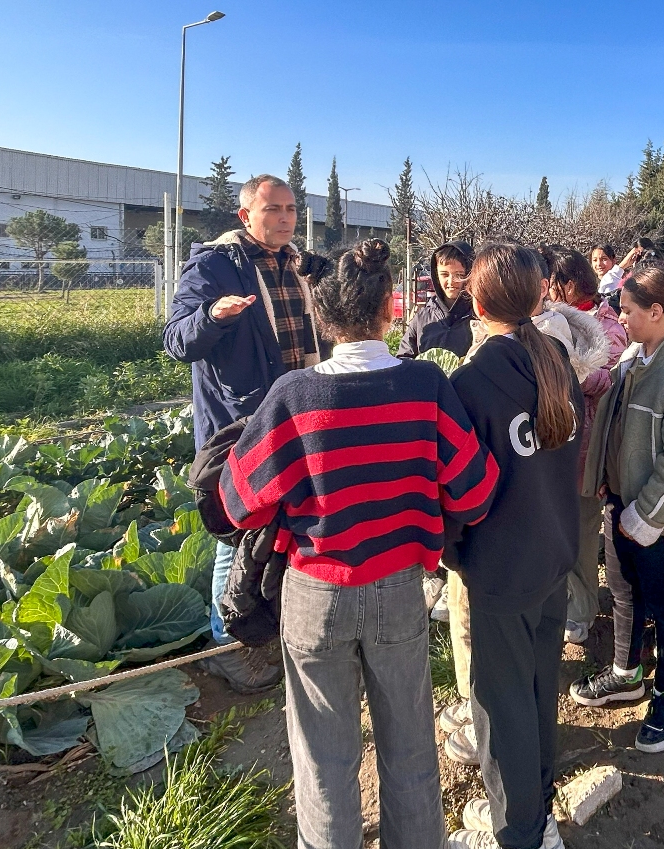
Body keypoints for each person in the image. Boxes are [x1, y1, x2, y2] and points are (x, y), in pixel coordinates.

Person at [218, 239, 499, 849]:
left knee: (323, 762)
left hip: (314, 595)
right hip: (399, 589)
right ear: (391, 307)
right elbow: (475, 491)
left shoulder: (293, 395)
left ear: (321, 314)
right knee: (412, 752)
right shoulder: (425, 386)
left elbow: (239, 502)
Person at [164, 173, 332, 693]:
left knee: (288, 523)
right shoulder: (215, 266)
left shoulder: (300, 264)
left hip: (300, 418)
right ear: (246, 215)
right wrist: (213, 316)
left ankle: (272, 621)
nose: (285, 218)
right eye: (273, 209)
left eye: (291, 209)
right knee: (237, 531)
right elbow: (177, 340)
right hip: (242, 423)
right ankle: (226, 645)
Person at [444, 243, 584, 849]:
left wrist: (452, 554)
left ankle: (520, 828)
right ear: (540, 296)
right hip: (554, 555)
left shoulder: (470, 383)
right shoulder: (556, 360)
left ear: (476, 304)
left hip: (501, 569)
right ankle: (536, 800)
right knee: (538, 686)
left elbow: (458, 487)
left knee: (500, 706)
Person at [575, 264, 664, 753]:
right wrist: (605, 479)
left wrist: (646, 516)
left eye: (628, 310)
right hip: (625, 506)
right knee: (623, 592)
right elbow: (614, 426)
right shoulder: (636, 358)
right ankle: (626, 673)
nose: (620, 317)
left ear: (657, 312)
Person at [543, 245, 627, 645]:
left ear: (570, 284)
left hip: (587, 450)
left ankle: (581, 610)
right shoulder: (549, 319)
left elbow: (612, 380)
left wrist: (566, 372)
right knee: (559, 531)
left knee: (581, 533)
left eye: (551, 283)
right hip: (555, 446)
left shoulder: (607, 326)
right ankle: (566, 598)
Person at [397, 240, 476, 359]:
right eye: (444, 274)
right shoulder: (422, 318)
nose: (451, 281)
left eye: (459, 275)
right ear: (436, 276)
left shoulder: (480, 317)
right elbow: (404, 358)